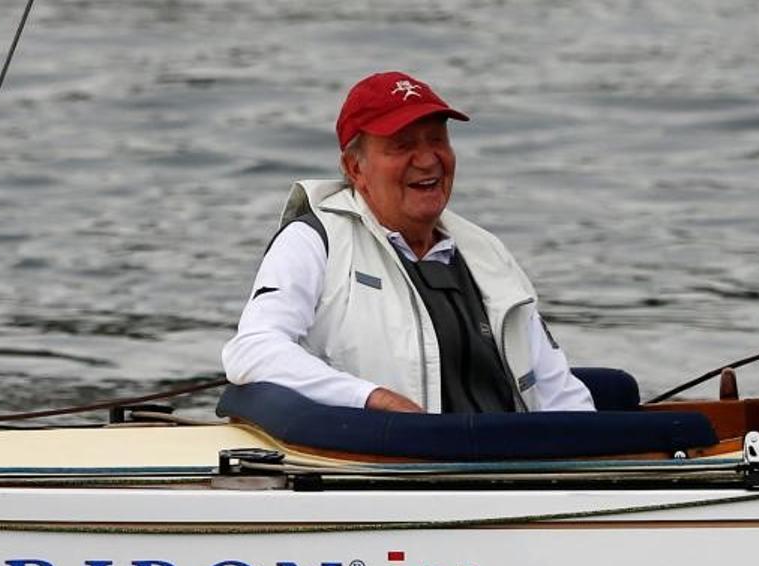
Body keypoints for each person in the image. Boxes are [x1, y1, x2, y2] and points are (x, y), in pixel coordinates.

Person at [222, 71, 595, 413]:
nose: (428, 160)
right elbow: (253, 351)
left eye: (437, 140)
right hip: (379, 470)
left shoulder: (487, 251)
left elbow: (560, 393)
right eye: (402, 146)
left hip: (506, 472)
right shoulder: (312, 240)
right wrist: (371, 397)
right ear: (355, 169)